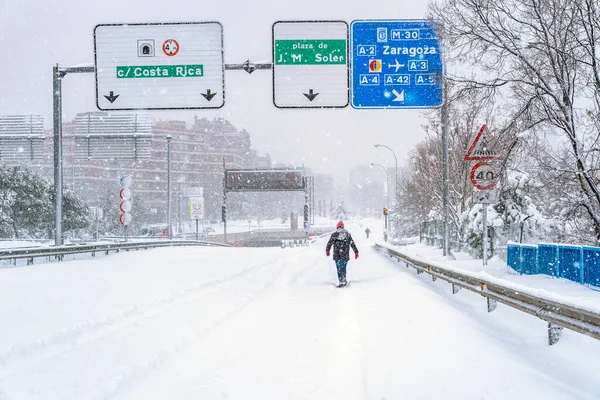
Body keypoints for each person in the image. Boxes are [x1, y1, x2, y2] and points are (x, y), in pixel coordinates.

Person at [325, 221, 359, 287]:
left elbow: (329, 243)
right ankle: (343, 280)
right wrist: (356, 252)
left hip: (337, 254)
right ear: (343, 227)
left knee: (339, 268)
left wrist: (327, 251)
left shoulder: (334, 234)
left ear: (337, 227)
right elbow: (352, 243)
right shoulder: (347, 234)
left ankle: (341, 281)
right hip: (345, 254)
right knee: (343, 267)